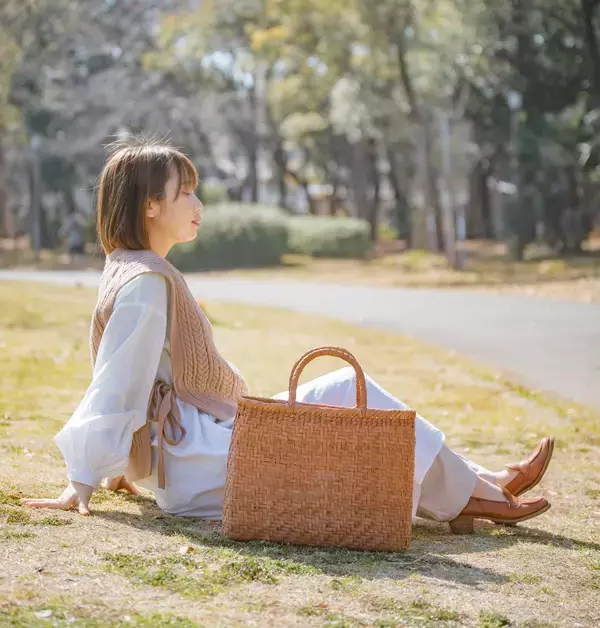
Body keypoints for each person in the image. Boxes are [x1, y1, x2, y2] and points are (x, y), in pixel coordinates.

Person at [22, 137, 554, 535]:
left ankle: (481, 483)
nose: (197, 205)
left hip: (200, 446)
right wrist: (84, 479)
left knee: (344, 392)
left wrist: (126, 468)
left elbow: (137, 379)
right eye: (184, 193)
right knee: (345, 394)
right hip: (200, 460)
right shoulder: (143, 282)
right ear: (150, 206)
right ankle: (479, 496)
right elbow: (115, 382)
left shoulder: (133, 269)